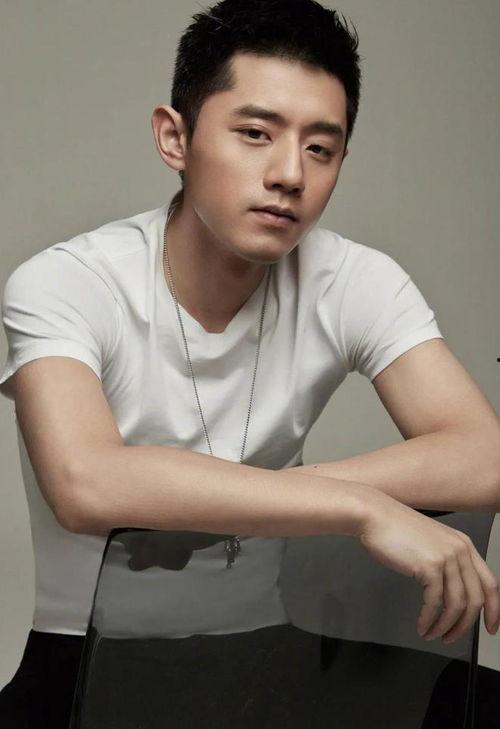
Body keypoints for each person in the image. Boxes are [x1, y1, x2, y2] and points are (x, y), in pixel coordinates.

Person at [1, 0, 499, 726]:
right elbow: (86, 481)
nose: (290, 174)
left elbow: (485, 457)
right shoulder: (66, 282)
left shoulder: (353, 279)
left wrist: (252, 500)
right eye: (256, 134)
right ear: (175, 137)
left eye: (320, 148)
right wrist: (361, 508)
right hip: (84, 663)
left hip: (265, 651)